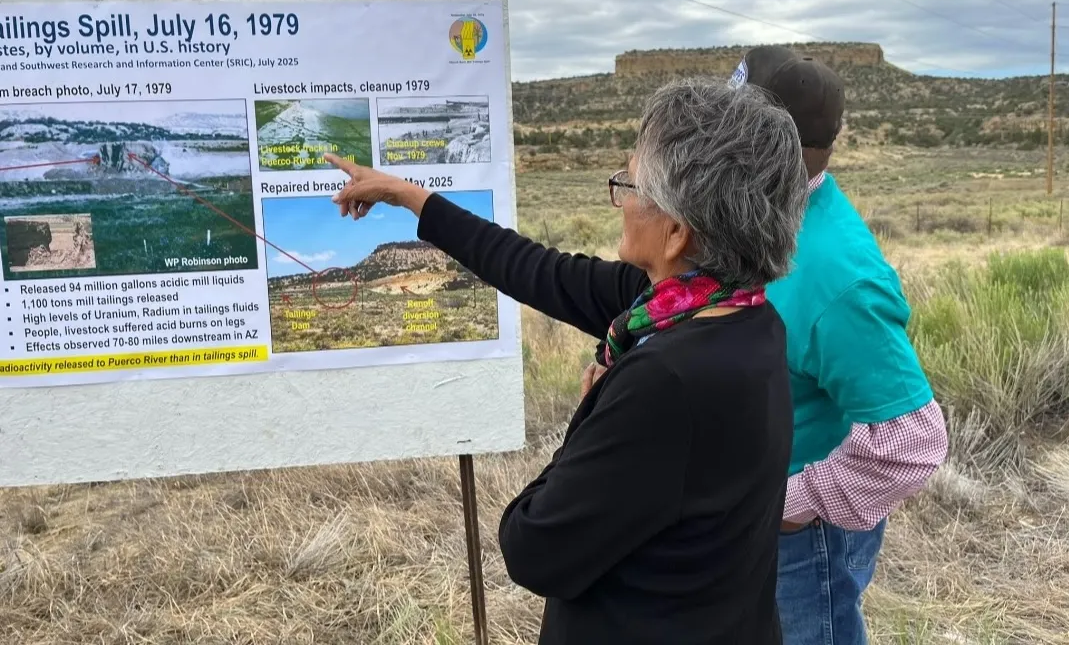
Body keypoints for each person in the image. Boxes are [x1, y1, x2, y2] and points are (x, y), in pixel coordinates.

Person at [325, 76, 809, 644]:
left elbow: (532, 548)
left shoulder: (665, 381)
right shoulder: (735, 314)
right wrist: (412, 198)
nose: (622, 199)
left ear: (677, 231)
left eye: (630, 183)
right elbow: (536, 269)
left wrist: (592, 407)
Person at [729, 45, 949, 644]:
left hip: (799, 544)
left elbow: (913, 442)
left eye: (731, 126)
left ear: (770, 145)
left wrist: (788, 505)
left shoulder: (836, 276)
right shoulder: (764, 217)